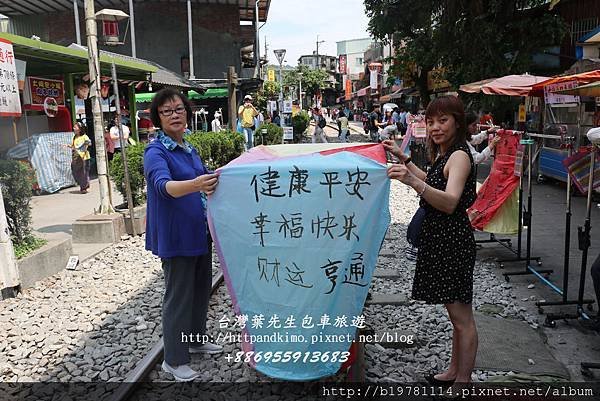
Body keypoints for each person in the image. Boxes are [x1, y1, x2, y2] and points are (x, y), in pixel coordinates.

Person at [383, 96, 477, 389]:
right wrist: (405, 159)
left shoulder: (459, 156)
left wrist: (412, 182)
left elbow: (449, 202)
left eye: (443, 120)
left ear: (457, 123)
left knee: (462, 317)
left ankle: (463, 382)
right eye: (431, 121)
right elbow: (434, 181)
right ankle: (452, 371)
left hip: (453, 242)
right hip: (443, 240)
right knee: (454, 314)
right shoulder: (448, 154)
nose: (435, 127)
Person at [144, 88, 222, 382]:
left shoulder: (189, 148)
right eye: (167, 111)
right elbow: (163, 186)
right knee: (178, 296)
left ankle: (195, 340)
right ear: (158, 119)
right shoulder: (156, 152)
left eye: (178, 109)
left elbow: (202, 177)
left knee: (200, 289)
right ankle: (174, 360)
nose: (174, 115)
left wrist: (215, 177)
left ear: (187, 114)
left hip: (199, 231)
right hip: (176, 236)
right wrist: (196, 184)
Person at [68, 122, 91, 194]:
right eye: (74, 127)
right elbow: (74, 147)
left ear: (80, 129)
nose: (74, 128)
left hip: (84, 157)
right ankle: (84, 184)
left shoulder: (84, 136)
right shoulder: (74, 137)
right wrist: (70, 146)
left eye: (75, 127)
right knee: (75, 171)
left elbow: (88, 143)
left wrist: (84, 146)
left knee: (83, 173)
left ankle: (83, 187)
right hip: (76, 158)